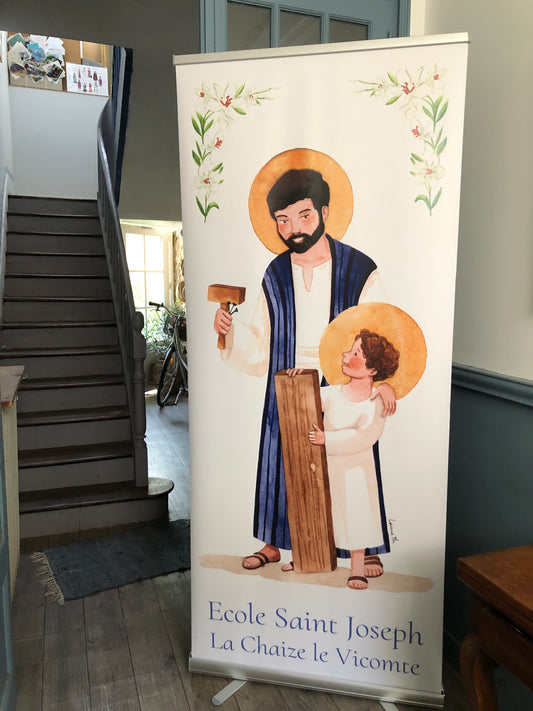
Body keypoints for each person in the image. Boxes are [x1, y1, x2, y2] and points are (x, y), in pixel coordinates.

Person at [214, 166, 395, 573]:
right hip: (287, 376)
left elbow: (383, 331)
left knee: (350, 458)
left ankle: (360, 548)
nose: (293, 229)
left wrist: (384, 382)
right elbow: (259, 342)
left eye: (303, 216)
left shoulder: (359, 269)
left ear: (325, 213)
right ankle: (274, 543)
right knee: (280, 457)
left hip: (346, 378)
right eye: (282, 220)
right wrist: (229, 332)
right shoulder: (275, 273)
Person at [286, 329, 399, 589]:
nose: (346, 355)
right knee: (323, 512)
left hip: (355, 473)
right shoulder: (334, 393)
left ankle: (357, 567)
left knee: (355, 514)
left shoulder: (375, 403)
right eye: (350, 349)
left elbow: (364, 436)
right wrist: (298, 378)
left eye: (356, 353)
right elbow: (309, 397)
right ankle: (310, 557)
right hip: (327, 469)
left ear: (373, 369)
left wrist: (326, 439)